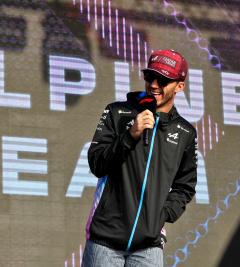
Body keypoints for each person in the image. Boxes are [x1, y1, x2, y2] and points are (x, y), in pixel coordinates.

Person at [82, 49, 197, 267]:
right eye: (149, 76)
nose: (153, 84)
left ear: (179, 86)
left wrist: (160, 216)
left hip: (149, 245)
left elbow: (185, 186)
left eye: (162, 80)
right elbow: (96, 163)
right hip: (105, 240)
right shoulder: (118, 113)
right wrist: (130, 135)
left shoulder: (185, 132)